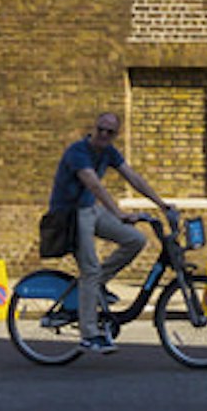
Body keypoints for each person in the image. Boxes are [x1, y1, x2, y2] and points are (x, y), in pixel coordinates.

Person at [51, 106, 173, 352]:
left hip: (90, 209)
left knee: (135, 240)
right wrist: (118, 213)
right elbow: (94, 185)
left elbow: (133, 178)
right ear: (93, 129)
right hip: (70, 214)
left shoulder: (109, 152)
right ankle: (89, 335)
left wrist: (162, 204)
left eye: (110, 132)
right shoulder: (78, 152)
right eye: (101, 130)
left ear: (115, 135)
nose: (104, 135)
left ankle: (96, 284)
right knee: (90, 269)